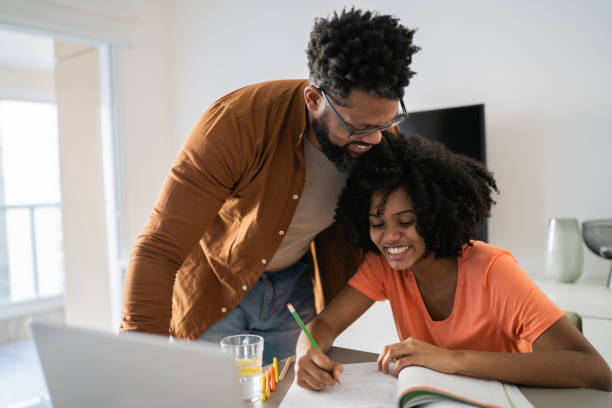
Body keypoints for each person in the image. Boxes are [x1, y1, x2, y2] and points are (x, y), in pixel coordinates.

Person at [119, 8, 420, 364]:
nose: (372, 140)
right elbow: (159, 248)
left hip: (294, 290)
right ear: (314, 99)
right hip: (216, 288)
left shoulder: (380, 138)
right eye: (356, 127)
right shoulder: (237, 124)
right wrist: (137, 367)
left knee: (284, 398)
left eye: (384, 123)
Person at [294, 134, 612, 391]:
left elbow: (595, 370)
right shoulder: (383, 266)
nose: (390, 237)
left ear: (436, 216)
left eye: (405, 222)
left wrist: (452, 359)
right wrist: (305, 353)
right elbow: (325, 324)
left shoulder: (492, 271)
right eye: (377, 225)